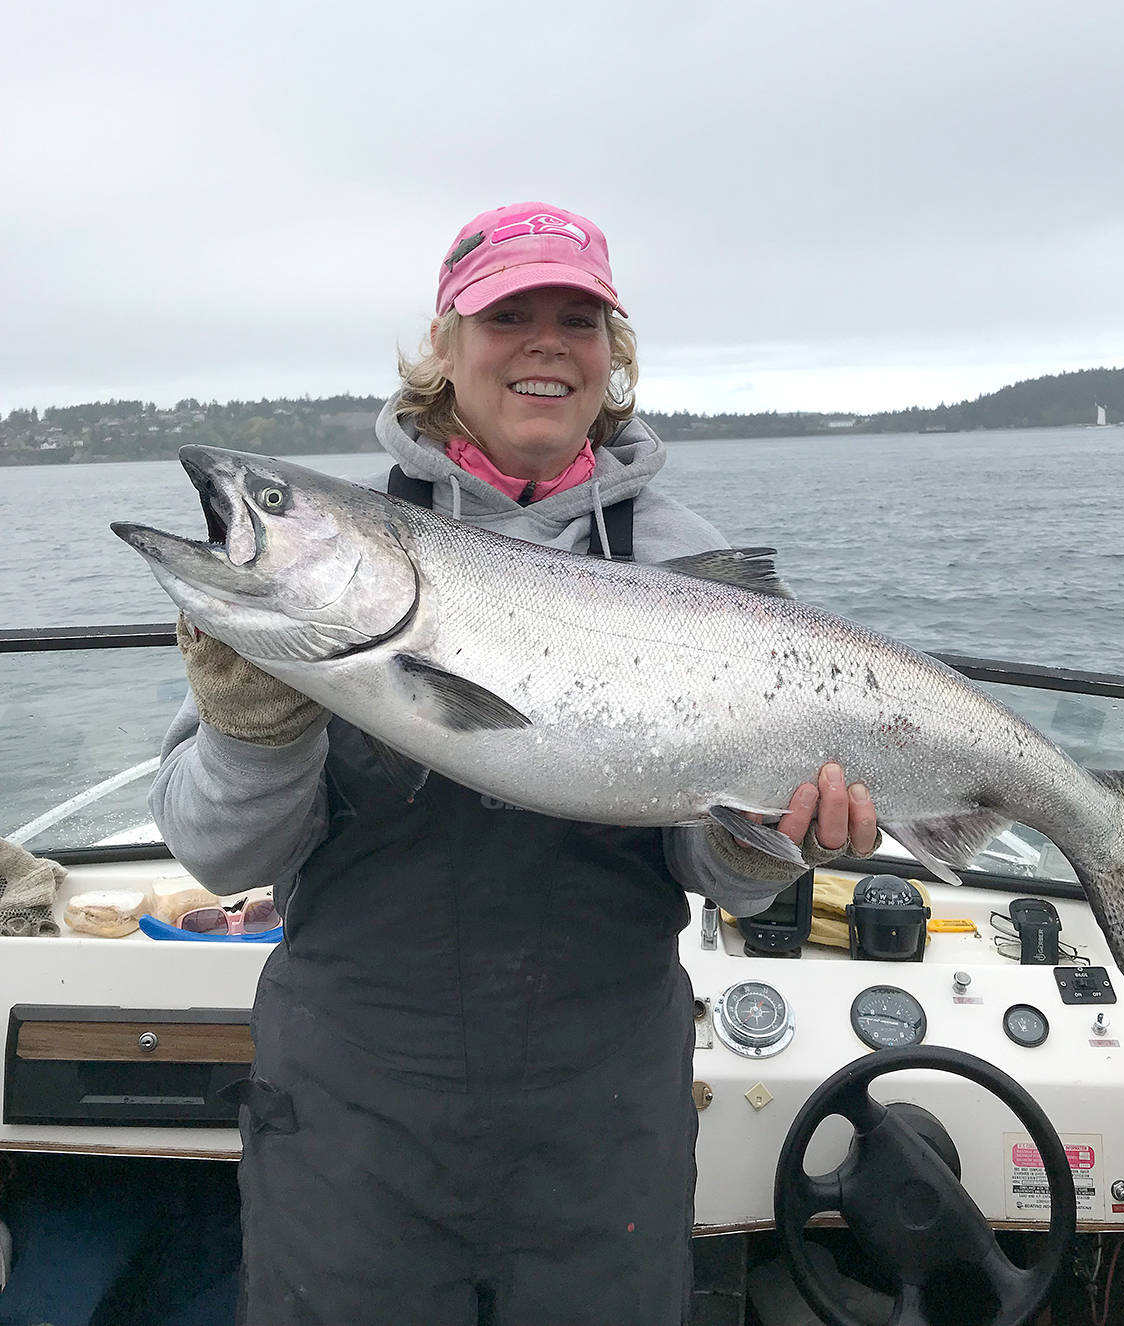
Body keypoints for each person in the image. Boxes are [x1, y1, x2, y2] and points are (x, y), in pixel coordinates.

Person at [150, 200, 879, 1326]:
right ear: (444, 347)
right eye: (507, 316)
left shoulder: (693, 569)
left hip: (603, 1113)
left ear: (610, 354)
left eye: (576, 319)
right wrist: (254, 728)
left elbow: (711, 869)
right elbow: (219, 855)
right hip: (355, 1108)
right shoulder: (325, 565)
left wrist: (777, 842)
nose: (545, 343)